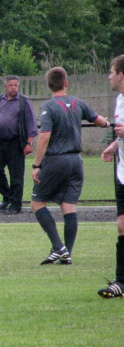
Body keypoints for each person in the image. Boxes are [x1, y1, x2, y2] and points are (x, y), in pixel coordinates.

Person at [31, 67, 109, 266]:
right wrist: (107, 123)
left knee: (37, 203)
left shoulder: (49, 106)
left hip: (56, 160)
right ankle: (67, 255)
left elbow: (45, 136)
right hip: (76, 161)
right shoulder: (77, 102)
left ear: (49, 85)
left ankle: (59, 248)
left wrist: (36, 164)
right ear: (66, 83)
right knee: (68, 206)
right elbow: (99, 121)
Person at [0, 75, 38, 214]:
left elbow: (31, 124)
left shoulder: (24, 102)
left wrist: (29, 143)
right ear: (5, 87)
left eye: (15, 85)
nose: (13, 88)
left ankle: (16, 205)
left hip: (16, 143)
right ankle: (8, 196)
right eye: (10, 85)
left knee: (16, 175)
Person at [98, 55, 124, 298]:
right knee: (122, 226)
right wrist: (114, 146)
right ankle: (121, 281)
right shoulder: (119, 100)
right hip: (122, 173)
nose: (109, 76)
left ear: (121, 75)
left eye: (111, 71)